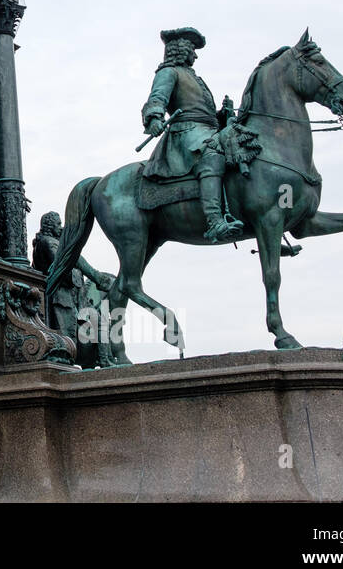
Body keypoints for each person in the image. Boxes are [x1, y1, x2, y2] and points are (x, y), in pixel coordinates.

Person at [140, 27, 242, 243]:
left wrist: (223, 115)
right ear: (181, 50)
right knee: (212, 154)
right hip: (186, 133)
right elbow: (157, 98)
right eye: (192, 50)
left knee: (240, 147)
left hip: (208, 130)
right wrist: (154, 118)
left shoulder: (194, 77)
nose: (195, 55)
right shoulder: (168, 72)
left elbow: (202, 112)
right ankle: (214, 221)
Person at [34, 211, 120, 368]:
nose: (61, 227)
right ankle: (100, 359)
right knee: (72, 334)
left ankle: (105, 359)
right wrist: (83, 271)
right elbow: (63, 264)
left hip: (75, 297)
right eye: (58, 224)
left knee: (100, 321)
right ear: (49, 226)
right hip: (61, 297)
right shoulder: (48, 242)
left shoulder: (57, 242)